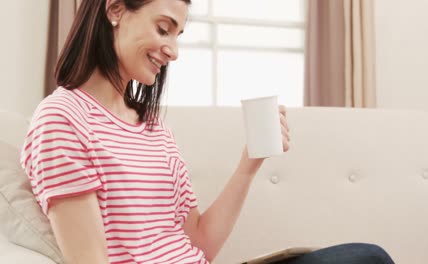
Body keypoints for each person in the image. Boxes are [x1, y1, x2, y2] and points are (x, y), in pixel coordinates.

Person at [20, 0, 395, 263]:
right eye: (164, 29)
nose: (173, 50)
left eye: (178, 34)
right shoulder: (61, 119)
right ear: (115, 9)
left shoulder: (153, 129)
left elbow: (199, 241)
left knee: (365, 257)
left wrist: (251, 162)